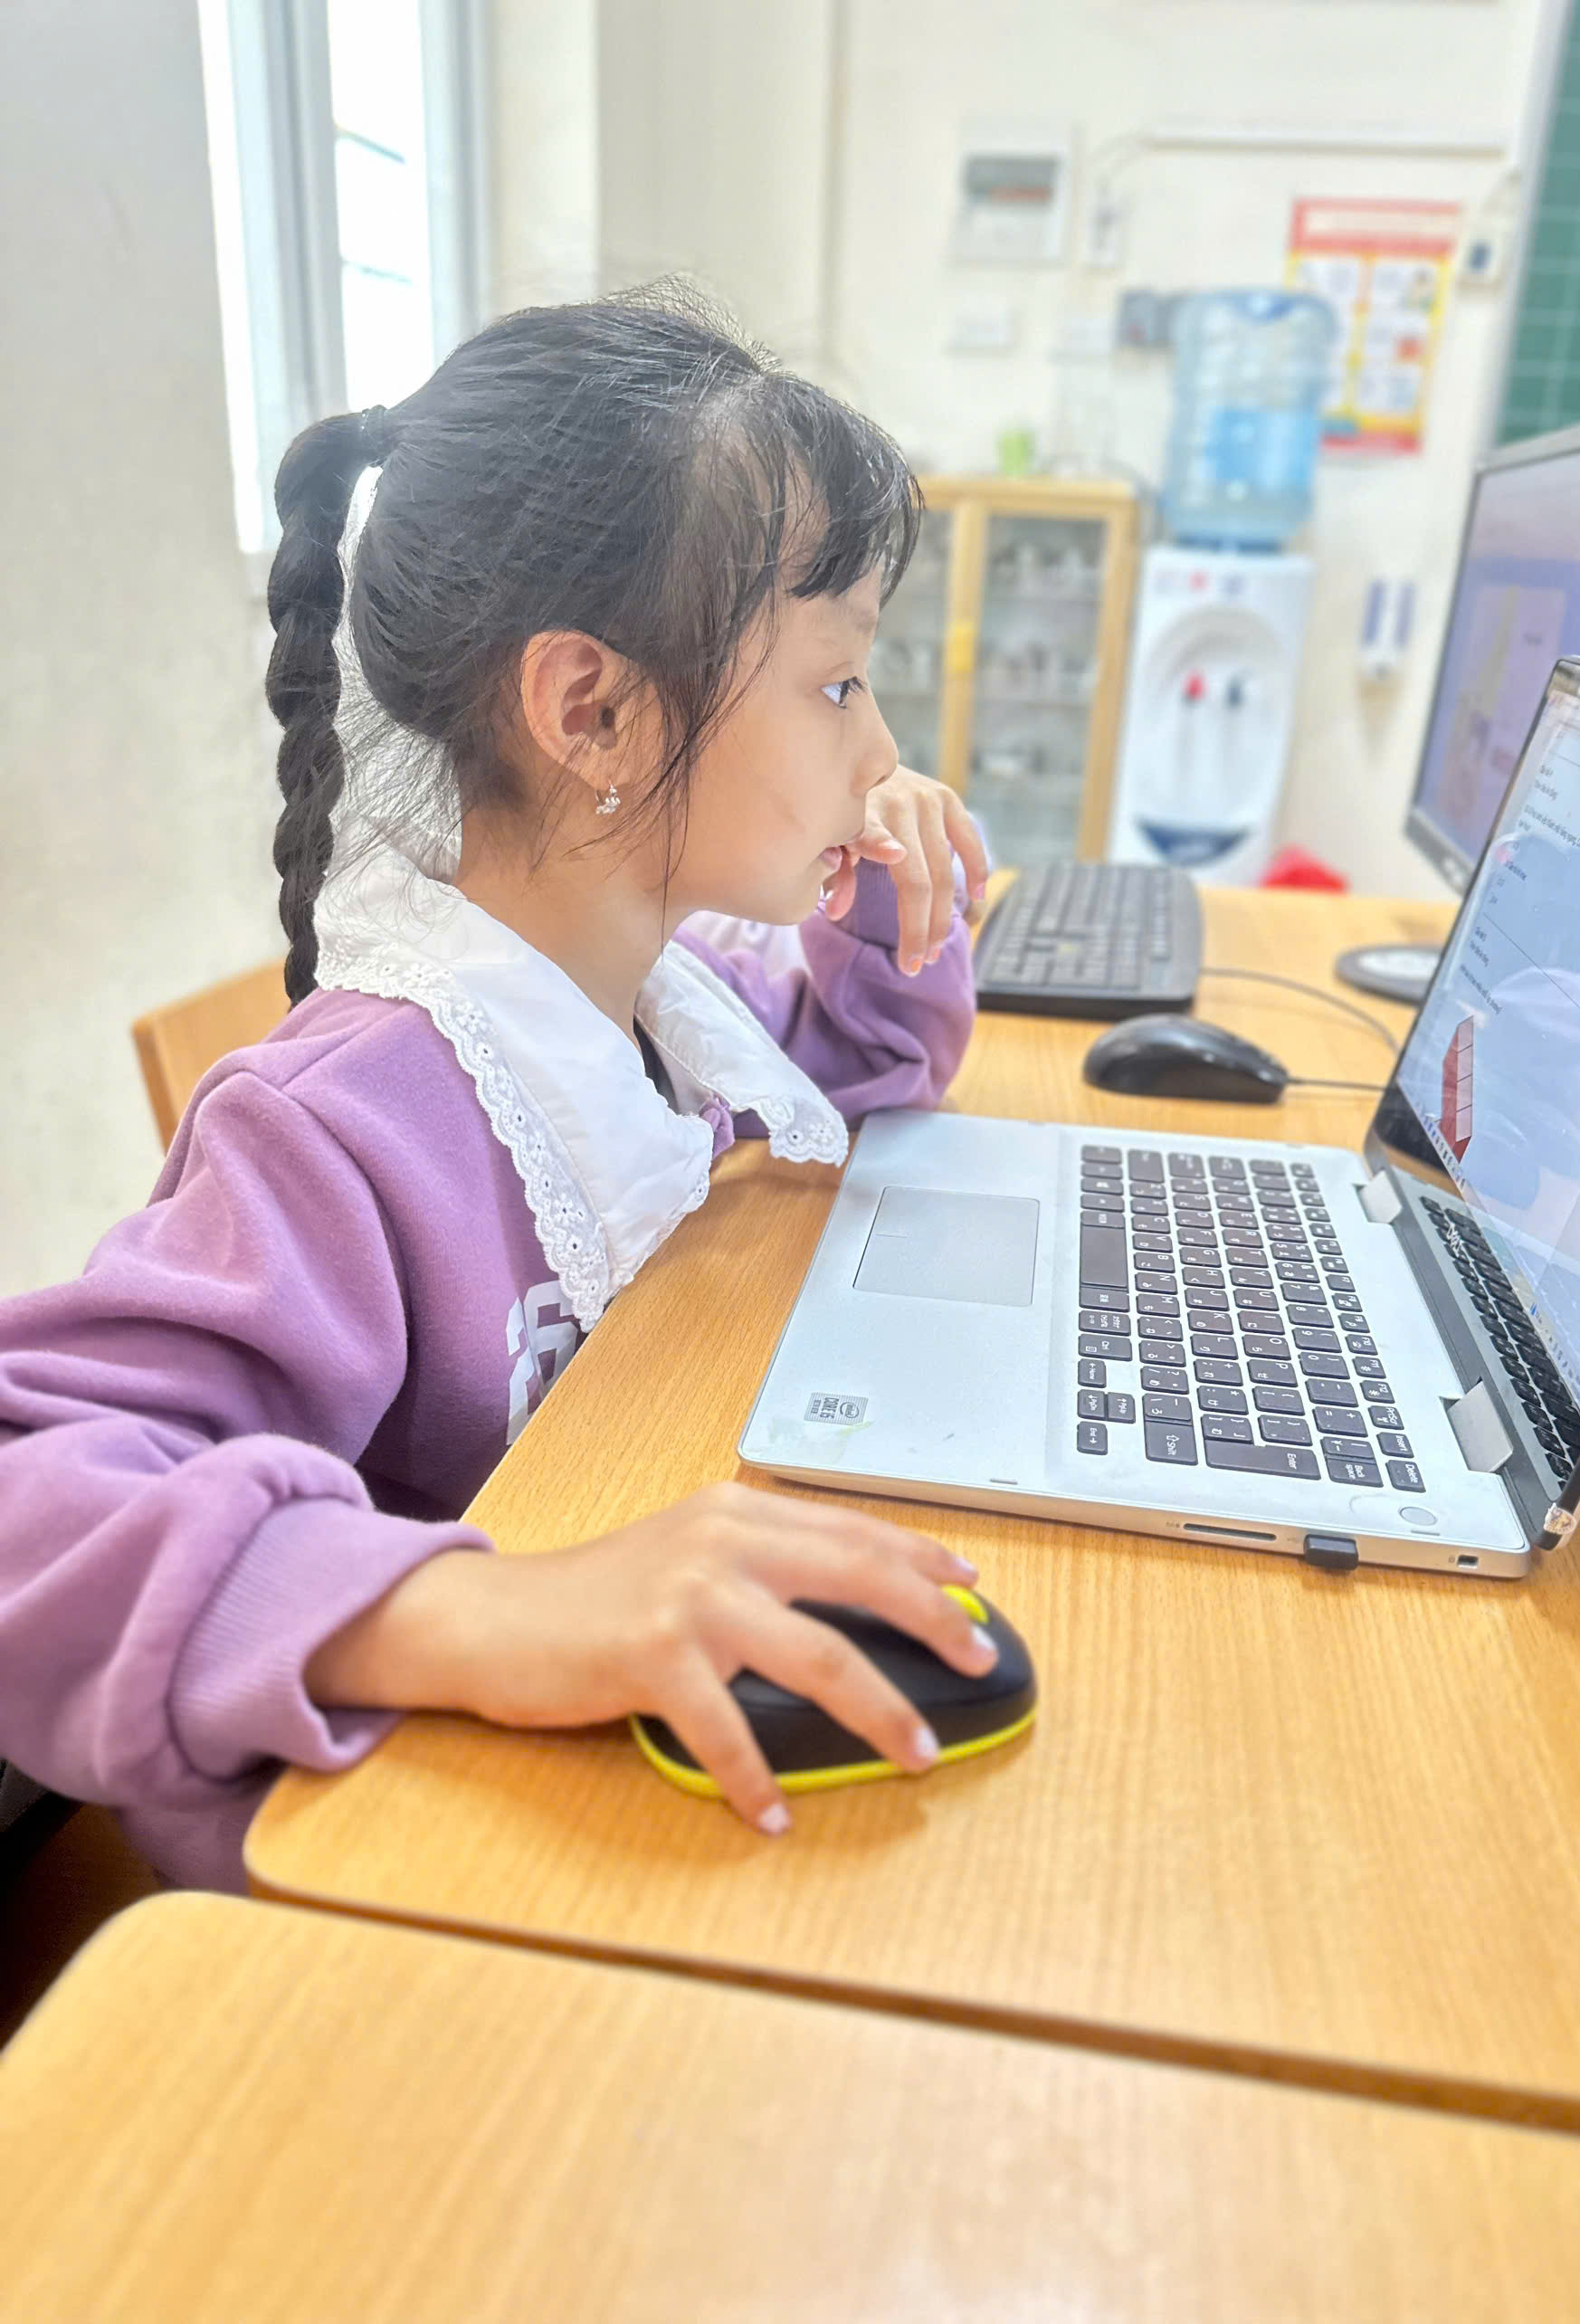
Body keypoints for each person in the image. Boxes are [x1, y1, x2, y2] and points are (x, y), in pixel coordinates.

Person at [0, 292, 996, 1891]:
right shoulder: (346, 1122)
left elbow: (874, 1074)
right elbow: (24, 1497)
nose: (880, 742)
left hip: (606, 1822)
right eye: (836, 684)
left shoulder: (669, 1001)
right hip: (400, 1898)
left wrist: (888, 888)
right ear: (589, 711)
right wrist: (479, 1609)